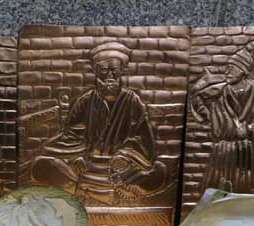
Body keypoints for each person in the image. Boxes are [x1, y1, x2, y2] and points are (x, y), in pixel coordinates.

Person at [31, 41, 165, 204]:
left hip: (120, 168)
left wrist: (124, 156)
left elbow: (143, 139)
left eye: (115, 71)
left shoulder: (132, 101)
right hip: (86, 166)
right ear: (96, 72)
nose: (110, 76)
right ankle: (88, 189)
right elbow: (71, 135)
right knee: (41, 165)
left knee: (159, 171)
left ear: (121, 71)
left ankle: (84, 189)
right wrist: (76, 157)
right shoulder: (84, 101)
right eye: (104, 71)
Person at [190, 49, 254, 192]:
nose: (227, 72)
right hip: (224, 146)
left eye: (232, 68)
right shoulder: (221, 89)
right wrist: (207, 115)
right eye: (227, 68)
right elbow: (197, 97)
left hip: (246, 146)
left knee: (244, 181)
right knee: (220, 179)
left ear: (243, 70)